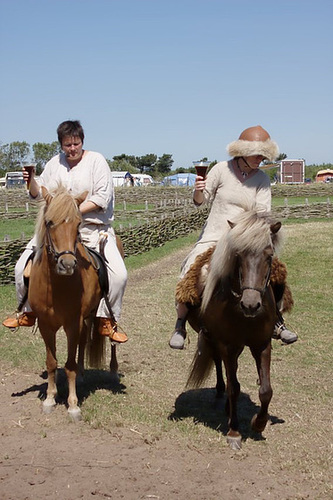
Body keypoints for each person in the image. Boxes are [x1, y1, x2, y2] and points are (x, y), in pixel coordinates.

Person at [169, 125, 298, 349]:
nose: (261, 158)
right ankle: (180, 323)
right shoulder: (220, 169)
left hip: (247, 240)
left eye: (264, 154)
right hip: (215, 236)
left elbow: (262, 214)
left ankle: (277, 322)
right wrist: (198, 189)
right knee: (192, 269)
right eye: (257, 153)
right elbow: (201, 200)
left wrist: (249, 233)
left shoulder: (262, 180)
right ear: (242, 151)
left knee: (275, 272)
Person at [3, 120, 128, 343]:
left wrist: (70, 213)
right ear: (61, 145)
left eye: (76, 143)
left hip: (93, 228)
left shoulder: (97, 161)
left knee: (119, 275)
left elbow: (101, 198)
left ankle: (107, 319)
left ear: (82, 141)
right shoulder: (54, 164)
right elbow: (40, 194)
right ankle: (27, 311)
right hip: (56, 230)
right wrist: (31, 181)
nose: (72, 149)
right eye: (67, 145)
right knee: (21, 266)